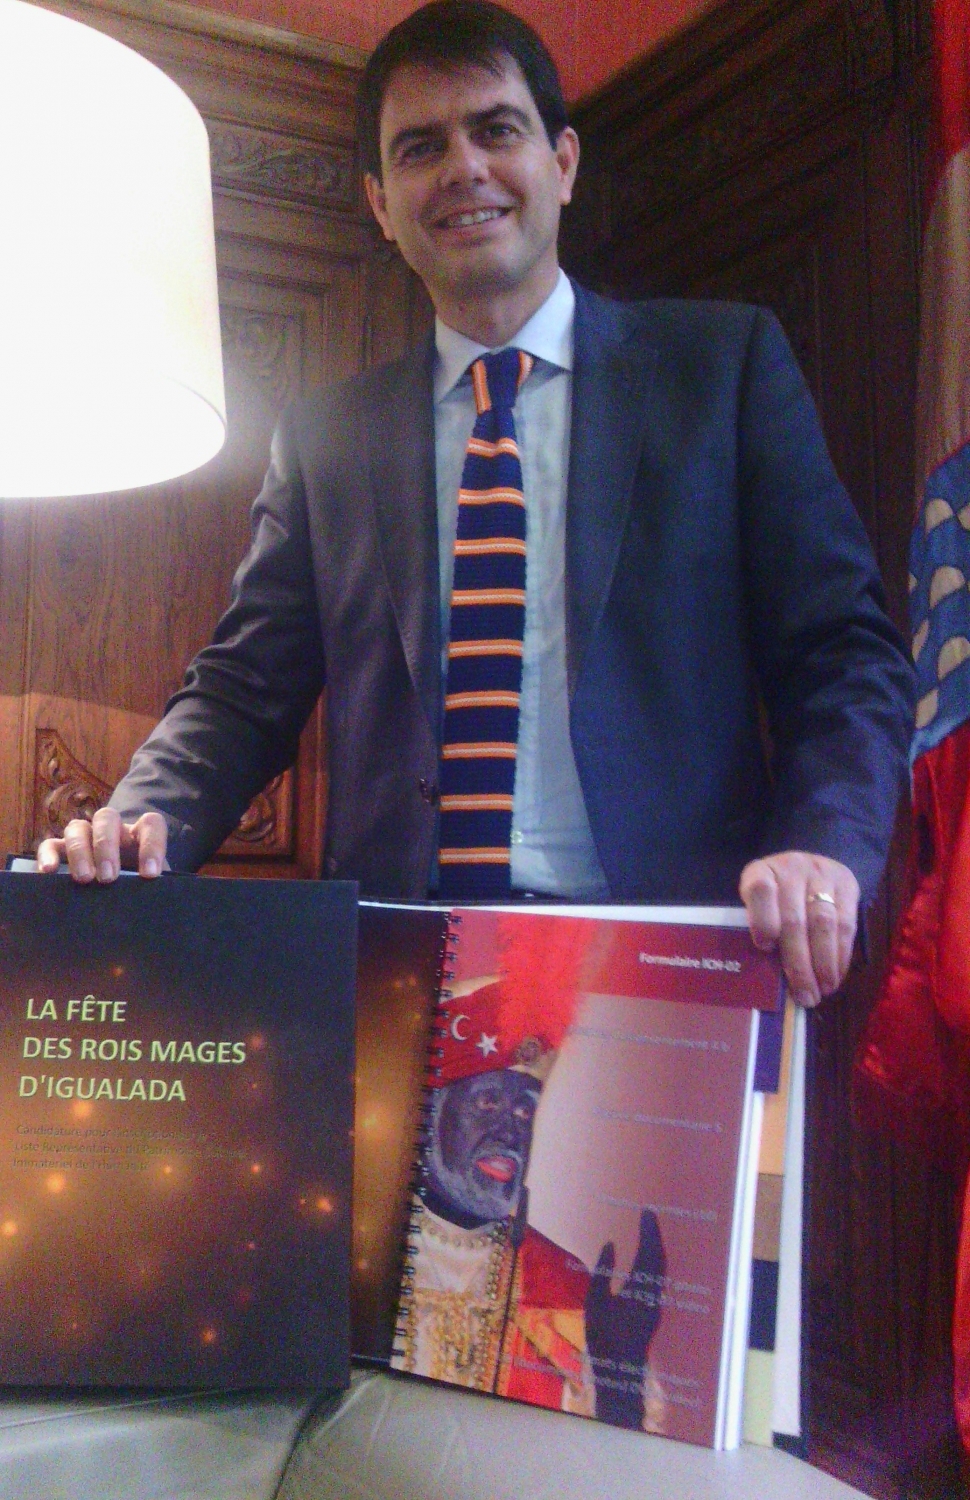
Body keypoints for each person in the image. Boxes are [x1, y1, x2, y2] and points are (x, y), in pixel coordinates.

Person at [38, 0, 915, 1010]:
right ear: (380, 203)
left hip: (670, 960)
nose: (463, 168)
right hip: (401, 968)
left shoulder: (722, 370)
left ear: (563, 163)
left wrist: (823, 840)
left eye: (496, 129)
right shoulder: (328, 439)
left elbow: (842, 653)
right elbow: (243, 689)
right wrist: (140, 816)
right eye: (421, 148)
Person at [393, 921, 666, 1429]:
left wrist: (618, 1385)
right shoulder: (365, 1242)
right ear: (432, 1111)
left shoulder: (566, 1288)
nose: (510, 1131)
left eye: (525, 1110)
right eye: (488, 1101)